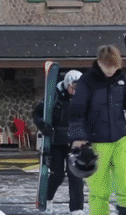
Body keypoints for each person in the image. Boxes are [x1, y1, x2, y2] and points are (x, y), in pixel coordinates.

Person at [68, 45, 126, 215]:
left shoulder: (122, 80)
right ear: (99, 62)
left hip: (120, 138)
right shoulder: (87, 81)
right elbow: (76, 112)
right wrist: (78, 137)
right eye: (107, 66)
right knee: (100, 189)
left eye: (114, 67)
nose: (110, 71)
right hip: (97, 142)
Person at [33, 69, 85, 215]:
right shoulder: (54, 96)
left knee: (75, 175)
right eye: (72, 87)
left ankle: (77, 209)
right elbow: (37, 114)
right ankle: (47, 199)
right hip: (56, 141)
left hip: (74, 140)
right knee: (57, 175)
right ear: (67, 83)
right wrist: (43, 126)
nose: (74, 91)